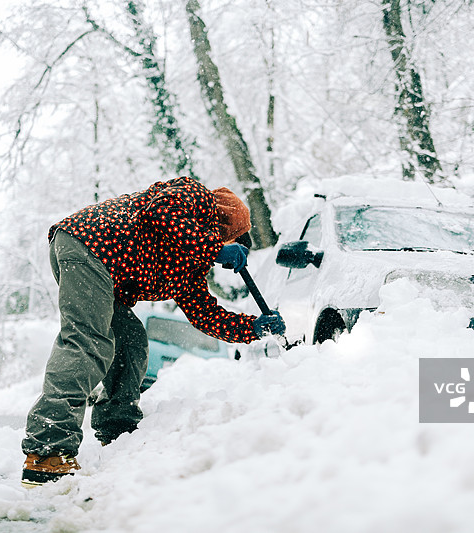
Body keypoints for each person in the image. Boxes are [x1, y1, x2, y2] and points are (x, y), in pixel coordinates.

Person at [21, 176, 285, 486]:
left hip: (102, 266)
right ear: (222, 227)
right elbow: (159, 211)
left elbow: (206, 316)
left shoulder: (189, 264)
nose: (219, 259)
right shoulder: (195, 196)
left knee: (130, 340)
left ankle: (117, 429)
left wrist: (252, 327)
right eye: (230, 245)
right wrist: (215, 248)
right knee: (87, 339)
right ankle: (47, 450)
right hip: (88, 244)